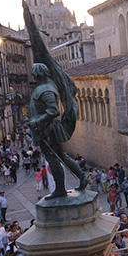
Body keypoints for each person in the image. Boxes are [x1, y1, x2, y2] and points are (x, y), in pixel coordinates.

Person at [27, 61, 88, 198]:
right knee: (61, 155)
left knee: (53, 158)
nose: (33, 77)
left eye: (34, 74)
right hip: (47, 128)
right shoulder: (46, 87)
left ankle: (60, 189)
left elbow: (53, 110)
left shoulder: (45, 89)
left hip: (47, 130)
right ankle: (82, 177)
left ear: (37, 75)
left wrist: (37, 121)